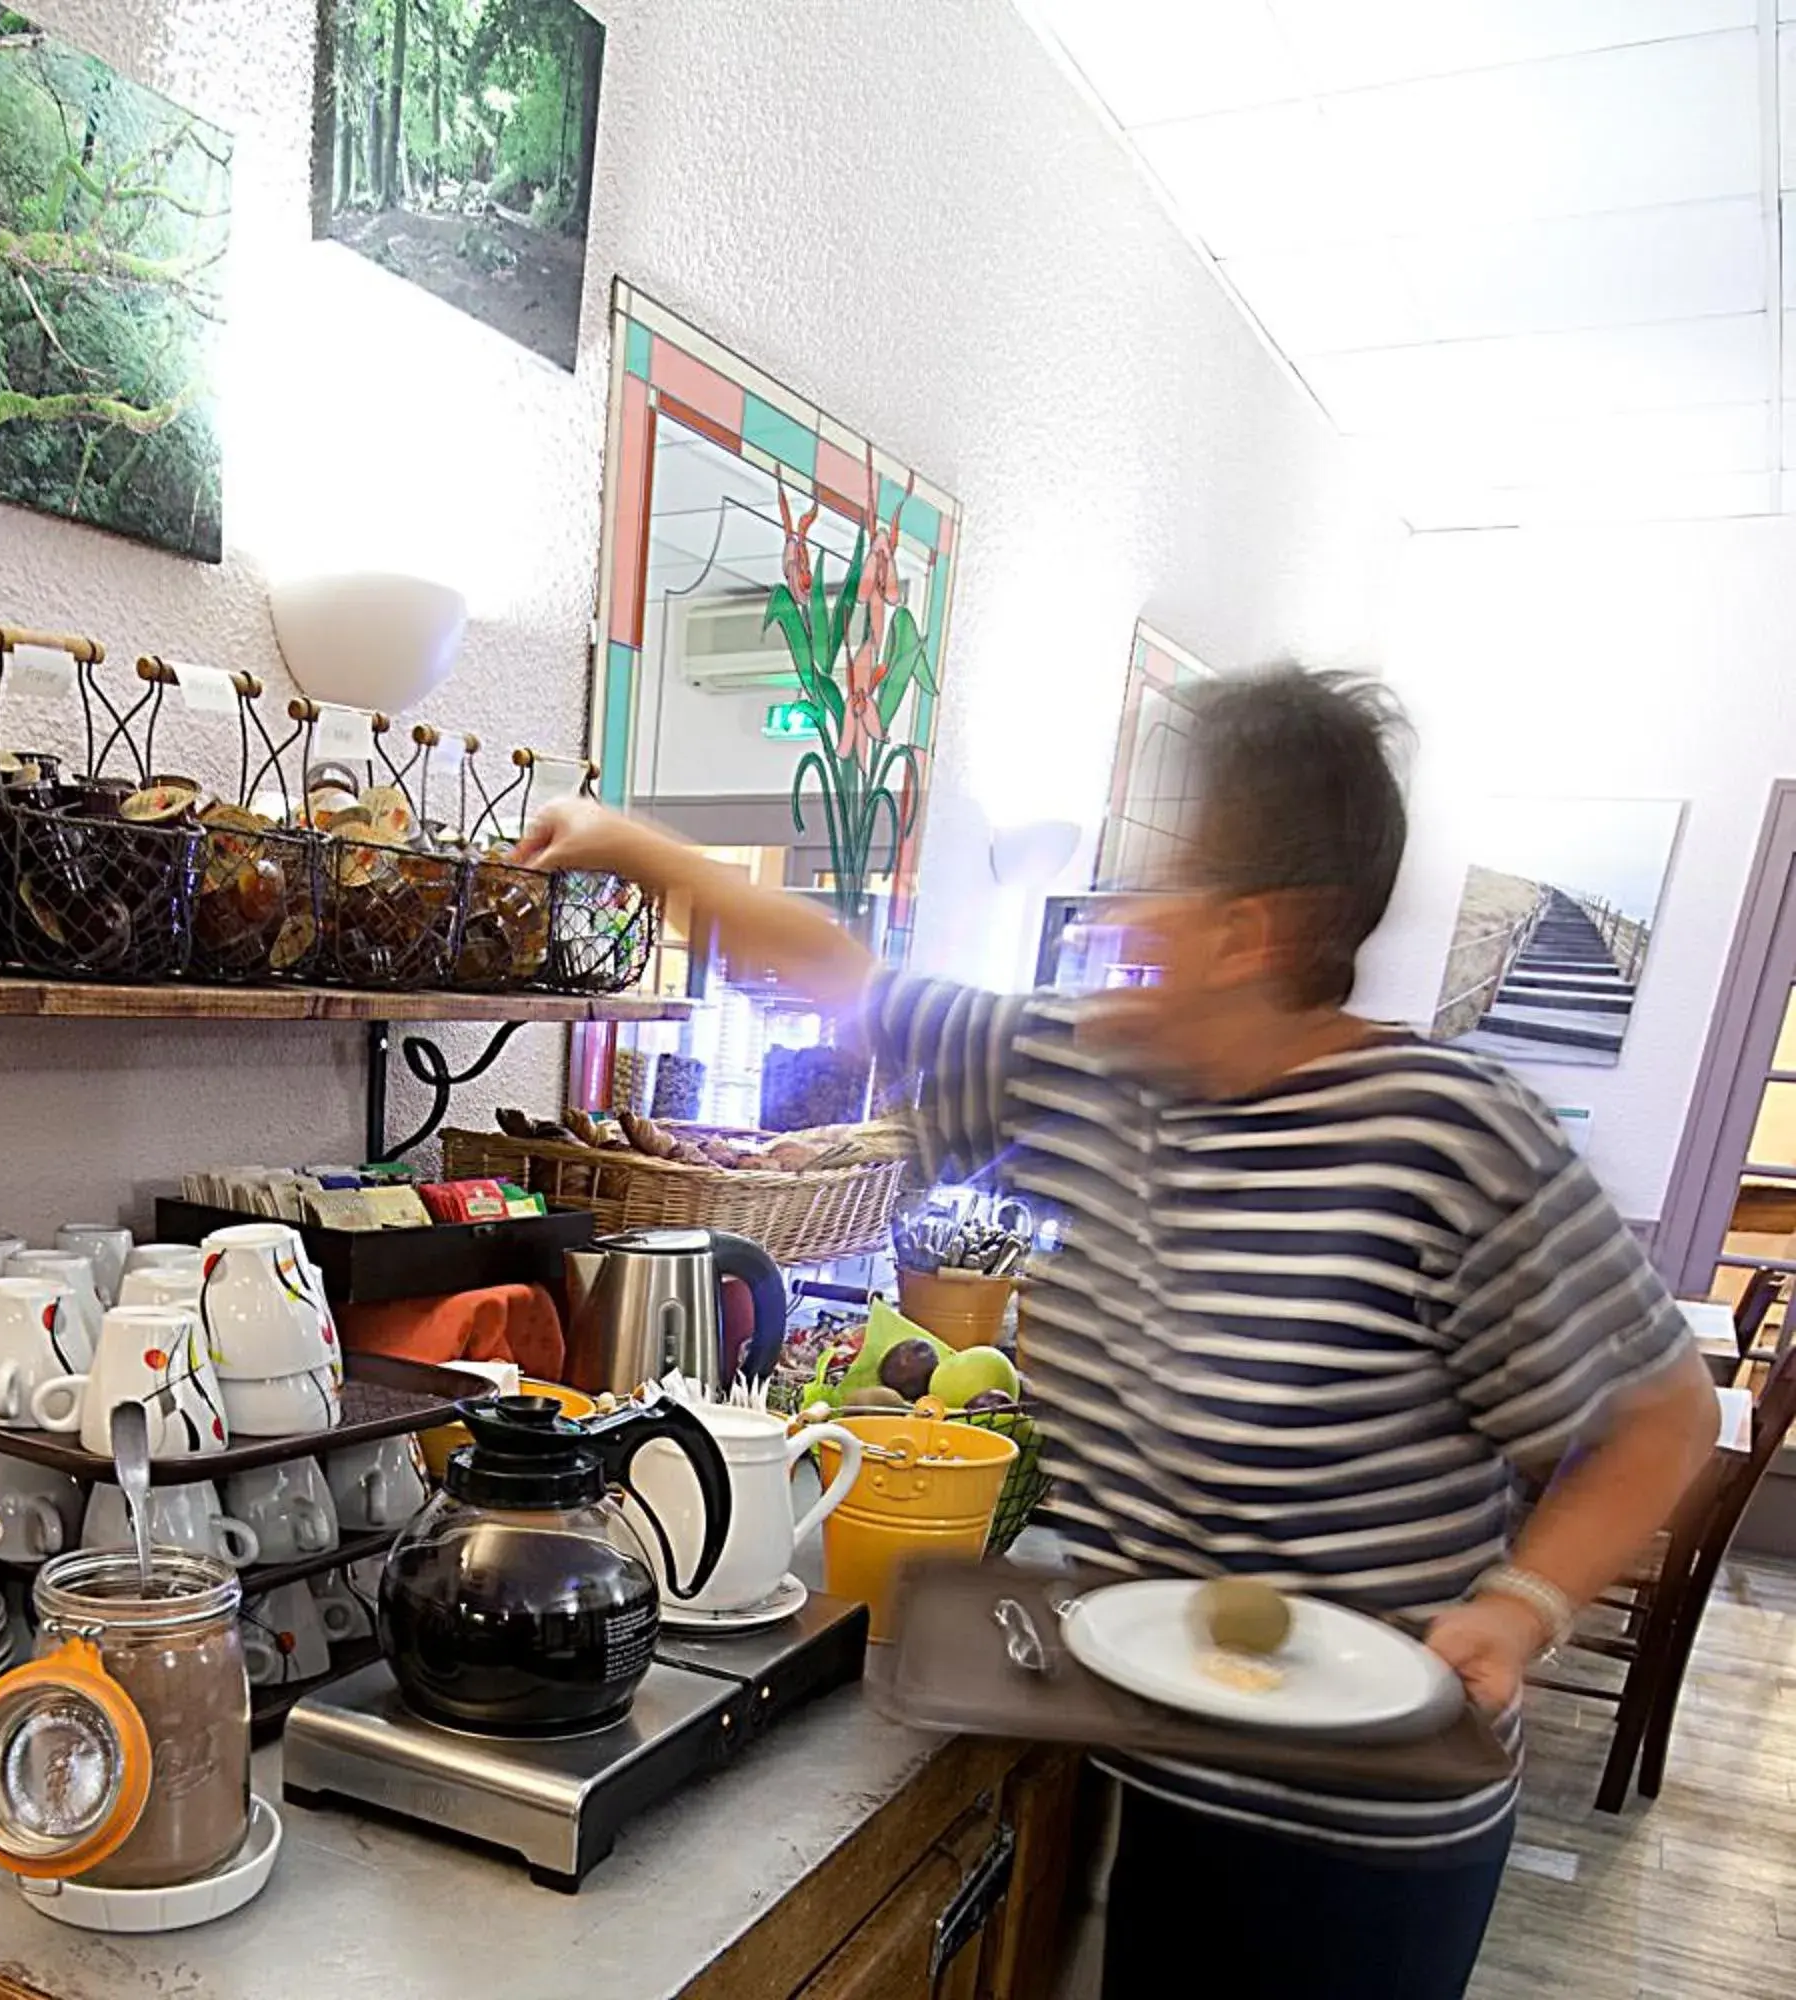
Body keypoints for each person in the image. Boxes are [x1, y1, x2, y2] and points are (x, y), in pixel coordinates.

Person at [514, 669, 1717, 2000]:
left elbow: (1663, 1417)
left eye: (1164, 879)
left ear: (1252, 931)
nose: (1124, 911)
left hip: (1362, 1837)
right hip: (1159, 1763)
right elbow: (848, 981)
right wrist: (637, 846)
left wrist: (1518, 1608)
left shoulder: (1449, 1139)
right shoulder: (1086, 1067)